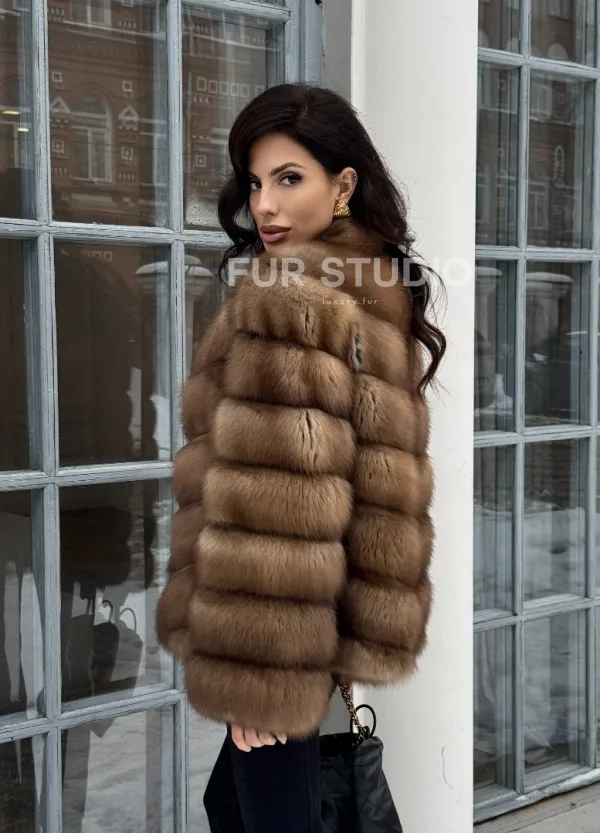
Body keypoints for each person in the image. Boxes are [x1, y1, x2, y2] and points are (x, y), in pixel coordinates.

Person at [156, 83, 446, 832]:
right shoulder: (372, 281)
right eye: (256, 182)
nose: (265, 205)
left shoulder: (291, 300)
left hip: (273, 654)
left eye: (289, 178)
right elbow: (376, 492)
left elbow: (282, 510)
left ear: (343, 184)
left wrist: (262, 679)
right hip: (313, 642)